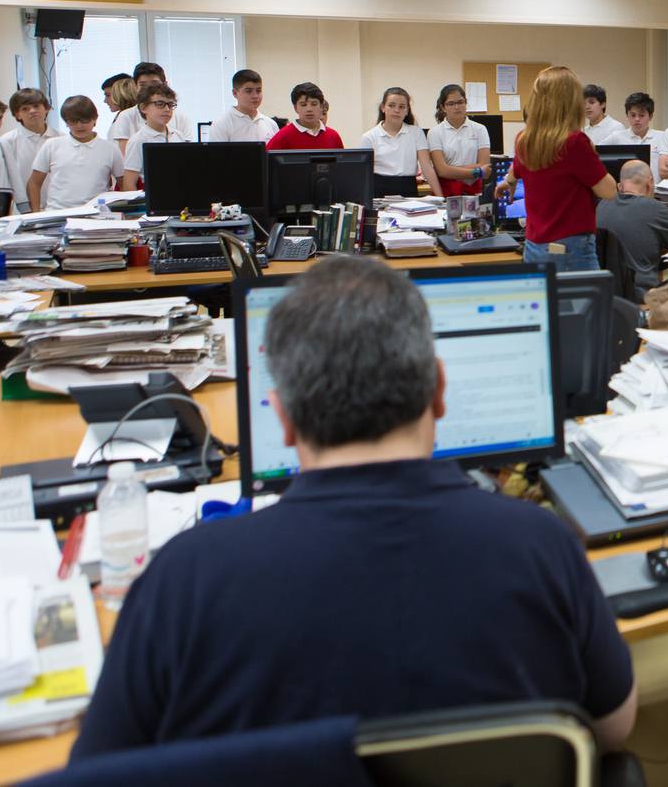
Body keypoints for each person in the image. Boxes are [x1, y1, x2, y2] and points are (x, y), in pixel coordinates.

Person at [69, 256, 637, 759]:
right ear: (439, 391)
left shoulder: (183, 582)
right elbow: (613, 728)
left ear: (283, 419)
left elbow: (99, 771)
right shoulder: (541, 545)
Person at [509, 66, 618, 270]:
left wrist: (508, 183)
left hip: (534, 246)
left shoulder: (523, 140)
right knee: (586, 302)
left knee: (545, 302)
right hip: (570, 248)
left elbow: (514, 172)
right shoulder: (574, 142)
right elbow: (609, 191)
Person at [598, 160, 668, 300]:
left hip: (607, 294)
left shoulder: (602, 205)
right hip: (644, 295)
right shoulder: (656, 209)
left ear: (620, 185)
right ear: (650, 182)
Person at [26, 96, 124, 211]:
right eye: (73, 121)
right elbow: (34, 183)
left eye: (84, 120)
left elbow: (123, 183)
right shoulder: (52, 145)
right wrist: (36, 213)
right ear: (66, 122)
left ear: (95, 119)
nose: (79, 126)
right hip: (58, 214)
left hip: (97, 213)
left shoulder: (110, 149)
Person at [359, 87, 435, 195]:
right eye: (391, 105)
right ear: (383, 107)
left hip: (408, 188)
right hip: (379, 190)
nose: (396, 110)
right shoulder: (369, 137)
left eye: (402, 107)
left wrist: (441, 197)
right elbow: (363, 175)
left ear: (407, 110)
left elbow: (427, 168)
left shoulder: (416, 133)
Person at [0, 88, 60, 211]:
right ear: (17, 114)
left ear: (46, 108)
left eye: (36, 106)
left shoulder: (61, 138)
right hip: (22, 210)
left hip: (58, 207)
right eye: (25, 109)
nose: (32, 111)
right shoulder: (6, 142)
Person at [425, 84, 490, 197]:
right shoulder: (434, 133)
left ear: (466, 103)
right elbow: (442, 171)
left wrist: (450, 169)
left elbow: (485, 166)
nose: (457, 107)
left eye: (460, 102)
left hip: (474, 192)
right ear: (443, 107)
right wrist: (477, 171)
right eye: (451, 103)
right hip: (447, 192)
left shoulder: (480, 129)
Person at [109, 62, 193, 150]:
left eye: (154, 84)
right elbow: (126, 157)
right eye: (143, 85)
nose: (149, 89)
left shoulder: (180, 118)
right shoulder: (125, 117)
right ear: (135, 86)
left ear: (165, 84)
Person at [120, 83, 187, 191]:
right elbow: (129, 184)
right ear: (143, 107)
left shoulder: (178, 135)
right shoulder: (138, 140)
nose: (167, 109)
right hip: (153, 197)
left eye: (170, 105)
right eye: (160, 104)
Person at [265, 83, 344, 151]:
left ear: (321, 106)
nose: (309, 109)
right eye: (303, 105)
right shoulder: (283, 136)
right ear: (295, 108)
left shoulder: (333, 136)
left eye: (314, 104)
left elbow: (342, 166)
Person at [207, 69, 279, 143]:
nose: (255, 96)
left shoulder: (271, 124)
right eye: (248, 91)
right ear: (235, 93)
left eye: (258, 91)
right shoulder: (221, 125)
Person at [612, 92, 664, 180]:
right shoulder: (617, 136)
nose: (637, 119)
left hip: (655, 190)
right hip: (627, 191)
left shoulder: (662, 137)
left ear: (650, 116)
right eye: (633, 115)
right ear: (627, 115)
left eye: (641, 115)